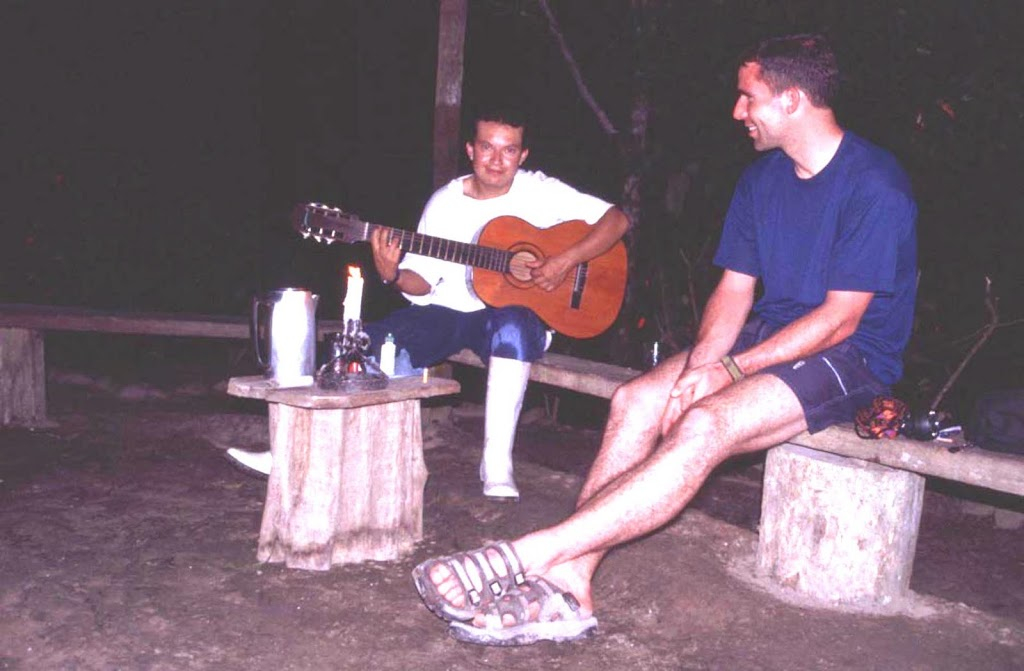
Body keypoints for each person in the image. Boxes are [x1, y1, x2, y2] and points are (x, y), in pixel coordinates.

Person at [410, 33, 918, 646]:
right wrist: (701, 368)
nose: (738, 112)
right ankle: (573, 585)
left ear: (792, 100)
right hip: (770, 333)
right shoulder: (762, 180)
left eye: (747, 97)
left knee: (704, 424)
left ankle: (528, 555)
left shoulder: (875, 185)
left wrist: (727, 377)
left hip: (852, 354)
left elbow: (841, 319)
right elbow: (735, 291)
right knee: (635, 400)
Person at [228, 106, 630, 502]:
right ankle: (292, 453)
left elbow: (617, 221)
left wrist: (563, 261)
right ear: (470, 150)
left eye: (509, 150)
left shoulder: (542, 191)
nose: (497, 159)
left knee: (512, 324)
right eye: (487, 147)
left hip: (516, 318)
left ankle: (496, 464)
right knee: (364, 346)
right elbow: (421, 282)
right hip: (447, 313)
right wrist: (392, 272)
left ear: (522, 156)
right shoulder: (445, 203)